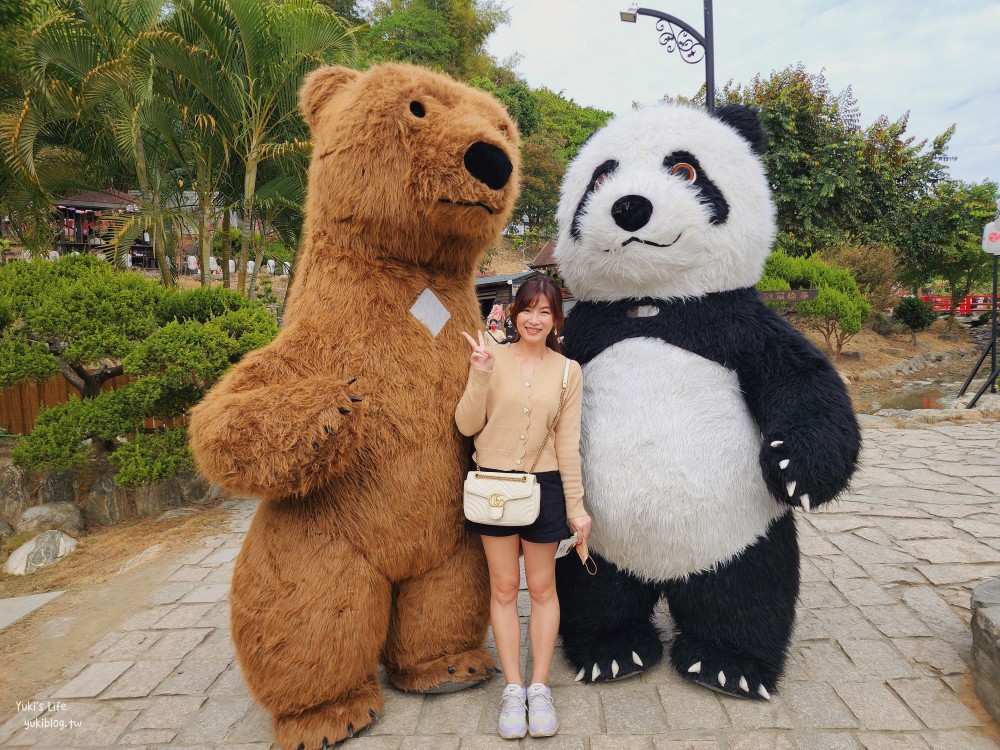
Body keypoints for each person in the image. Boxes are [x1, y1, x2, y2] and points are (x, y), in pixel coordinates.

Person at [456, 276, 591, 740]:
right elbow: (466, 423)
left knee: (541, 588)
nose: (535, 319)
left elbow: (567, 444)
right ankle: (513, 689)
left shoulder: (569, 371)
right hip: (492, 486)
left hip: (546, 487)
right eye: (527, 310)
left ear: (556, 320)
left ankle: (539, 686)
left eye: (545, 312)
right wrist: (479, 373)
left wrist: (577, 508)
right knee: (503, 587)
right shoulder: (492, 357)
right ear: (514, 315)